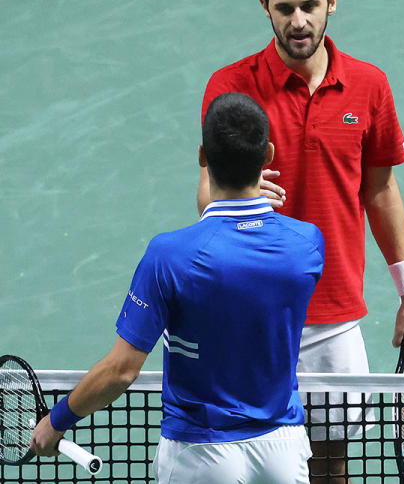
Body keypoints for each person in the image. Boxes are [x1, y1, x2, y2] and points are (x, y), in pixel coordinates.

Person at [196, 0, 404, 480]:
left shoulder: (369, 86)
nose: (298, 22)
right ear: (265, 8)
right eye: (284, 9)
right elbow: (206, 197)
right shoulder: (229, 89)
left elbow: (381, 192)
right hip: (248, 311)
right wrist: (241, 198)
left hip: (333, 313)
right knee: (243, 460)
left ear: (332, 2)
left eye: (309, 5)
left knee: (329, 464)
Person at [31, 92, 324, 483]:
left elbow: (121, 370)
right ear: (268, 154)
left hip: (200, 455)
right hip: (282, 453)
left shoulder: (169, 256)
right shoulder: (307, 244)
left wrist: (56, 420)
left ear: (202, 156)